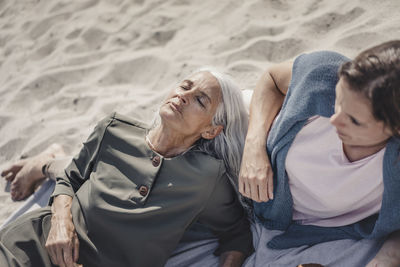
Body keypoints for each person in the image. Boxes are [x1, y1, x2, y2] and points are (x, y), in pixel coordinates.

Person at [0, 70, 254, 267]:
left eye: (200, 99)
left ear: (210, 130)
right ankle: (46, 160)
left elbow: (236, 234)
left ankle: (49, 157)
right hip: (37, 243)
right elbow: (71, 178)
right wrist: (60, 224)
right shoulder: (114, 129)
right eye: (185, 86)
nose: (184, 96)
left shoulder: (207, 177)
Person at [239, 40, 400, 266]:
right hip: (241, 177)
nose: (335, 120)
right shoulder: (322, 74)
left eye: (354, 120)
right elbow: (272, 79)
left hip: (326, 236)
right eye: (339, 101)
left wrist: (387, 259)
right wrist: (254, 147)